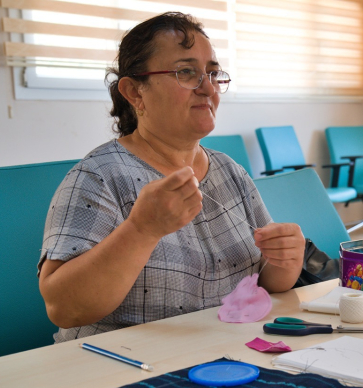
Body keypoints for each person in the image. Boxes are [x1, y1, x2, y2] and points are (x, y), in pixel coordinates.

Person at [39, 12, 305, 342]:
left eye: (212, 72)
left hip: (225, 358)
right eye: (186, 72)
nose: (208, 88)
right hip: (125, 368)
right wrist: (141, 230)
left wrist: (287, 259)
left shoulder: (230, 171)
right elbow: (64, 308)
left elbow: (268, 282)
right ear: (135, 92)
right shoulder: (98, 177)